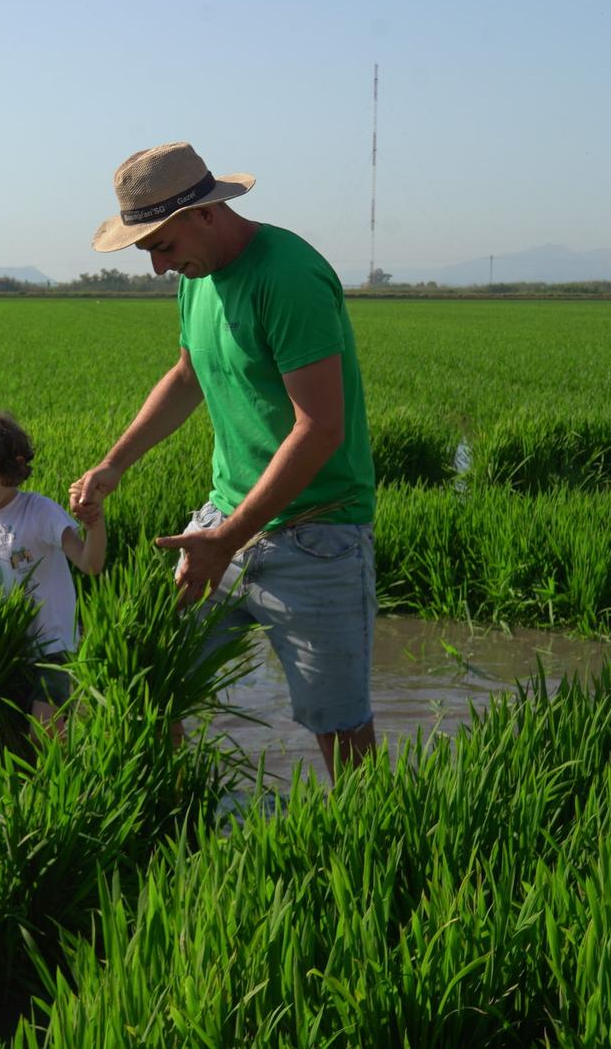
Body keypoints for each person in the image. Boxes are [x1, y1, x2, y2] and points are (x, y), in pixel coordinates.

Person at [68, 141, 378, 777]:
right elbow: (187, 376)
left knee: (337, 723)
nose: (158, 268)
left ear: (204, 214)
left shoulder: (287, 276)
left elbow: (319, 429)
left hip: (316, 535)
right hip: (222, 522)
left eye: (161, 246)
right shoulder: (198, 277)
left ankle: (365, 846)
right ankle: (171, 809)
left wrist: (227, 540)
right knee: (155, 675)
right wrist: (114, 464)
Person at [0, 410, 106, 733]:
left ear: (10, 468)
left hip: (51, 647)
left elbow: (89, 563)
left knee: (45, 730)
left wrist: (94, 523)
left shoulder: (39, 511)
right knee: (3, 737)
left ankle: (61, 780)